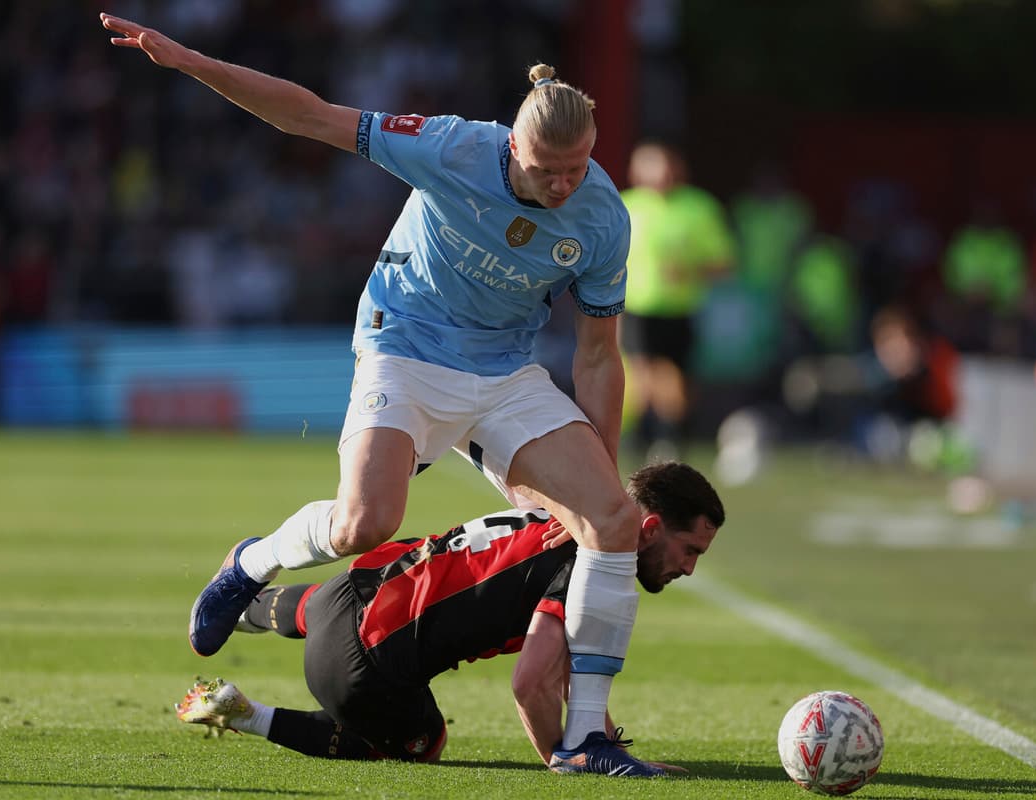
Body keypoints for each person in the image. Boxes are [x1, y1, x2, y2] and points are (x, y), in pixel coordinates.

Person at [99, 13, 650, 776]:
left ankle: (586, 741)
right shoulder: (451, 146)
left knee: (615, 522)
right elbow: (311, 115)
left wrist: (597, 470)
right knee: (366, 522)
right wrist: (193, 61)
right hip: (406, 347)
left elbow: (598, 356)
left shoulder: (602, 217)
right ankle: (253, 561)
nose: (564, 186)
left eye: (577, 169)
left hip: (504, 373)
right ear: (510, 145)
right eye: (546, 171)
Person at [174, 461, 724, 775]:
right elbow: (532, 683)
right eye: (689, 550)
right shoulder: (588, 563)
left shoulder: (558, 508)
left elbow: (562, 670)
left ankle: (244, 596)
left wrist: (603, 739)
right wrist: (567, 758)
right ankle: (249, 714)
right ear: (648, 529)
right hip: (362, 670)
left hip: (346, 592)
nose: (690, 569)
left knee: (341, 603)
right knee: (423, 743)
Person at [619, 141, 735, 460]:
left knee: (675, 377)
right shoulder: (624, 206)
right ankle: (640, 435)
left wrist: (689, 270)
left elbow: (725, 263)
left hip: (680, 308)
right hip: (636, 307)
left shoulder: (699, 208)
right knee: (642, 371)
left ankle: (671, 434)